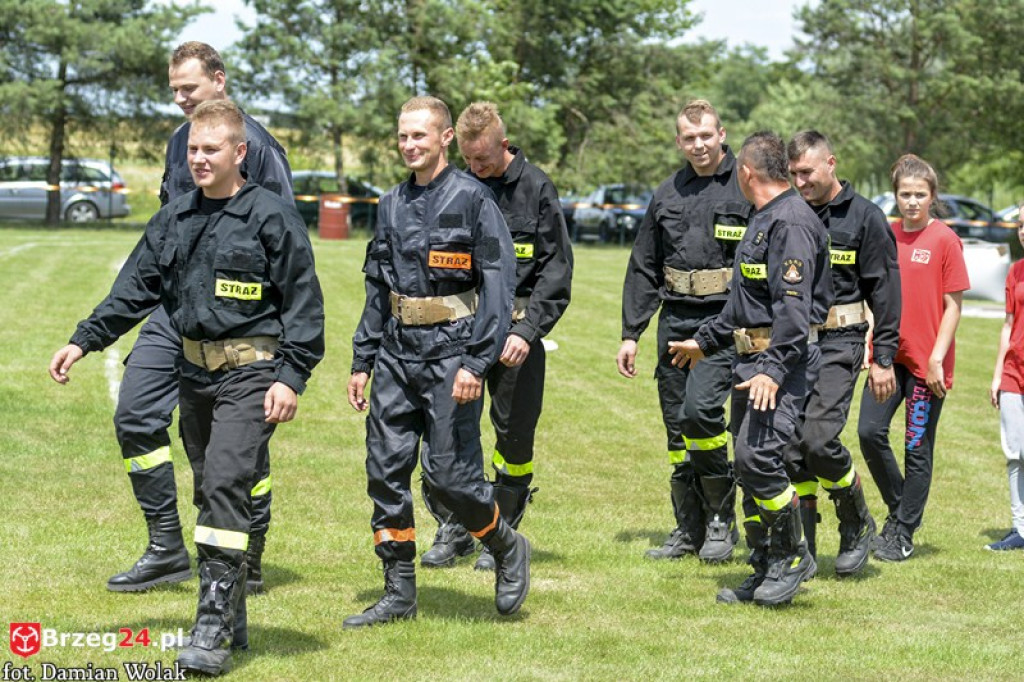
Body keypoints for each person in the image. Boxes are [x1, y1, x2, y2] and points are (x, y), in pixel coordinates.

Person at [49, 99, 325, 676]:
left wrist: (291, 377)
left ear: (239, 153)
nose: (199, 159)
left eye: (211, 150)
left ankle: (213, 623)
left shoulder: (272, 216)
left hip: (252, 371)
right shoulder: (175, 217)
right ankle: (236, 610)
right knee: (208, 489)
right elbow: (134, 289)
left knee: (225, 483)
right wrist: (84, 340)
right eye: (194, 150)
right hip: (193, 372)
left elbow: (304, 304)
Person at [108, 41, 293, 595]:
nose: (180, 99)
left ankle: (248, 555)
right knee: (135, 415)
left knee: (234, 454)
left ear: (219, 79)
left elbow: (285, 248)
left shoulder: (258, 148)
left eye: (188, 88)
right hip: (174, 312)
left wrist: (279, 357)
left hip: (239, 326)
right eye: (174, 91)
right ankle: (166, 547)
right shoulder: (178, 144)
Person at [345, 95, 527, 627]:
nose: (409, 145)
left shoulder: (473, 200)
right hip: (397, 356)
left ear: (445, 137)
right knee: (384, 472)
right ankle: (398, 589)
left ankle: (504, 542)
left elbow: (498, 285)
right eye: (403, 136)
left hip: (452, 355)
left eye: (419, 136)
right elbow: (378, 288)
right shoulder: (390, 204)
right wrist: (363, 359)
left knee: (450, 478)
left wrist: (476, 362)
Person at [669, 131, 833, 606]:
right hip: (750, 360)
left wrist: (773, 372)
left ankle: (793, 555)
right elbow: (743, 305)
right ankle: (763, 565)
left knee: (758, 459)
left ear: (746, 171)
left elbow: (793, 312)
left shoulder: (792, 224)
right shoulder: (763, 220)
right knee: (748, 462)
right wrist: (704, 342)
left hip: (779, 364)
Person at [418, 101, 574, 571]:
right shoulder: (457, 188)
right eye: (468, 160)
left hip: (515, 334)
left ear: (502, 144)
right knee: (449, 432)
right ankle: (455, 526)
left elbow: (556, 270)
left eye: (484, 159)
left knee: (513, 437)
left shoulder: (536, 188)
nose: (476, 168)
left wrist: (527, 331)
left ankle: (502, 534)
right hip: (460, 332)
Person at [617, 99, 751, 563]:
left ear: (722, 133)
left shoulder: (747, 186)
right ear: (679, 142)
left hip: (725, 322)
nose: (698, 145)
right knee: (677, 428)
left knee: (701, 416)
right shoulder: (667, 193)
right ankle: (688, 527)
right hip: (675, 318)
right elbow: (644, 266)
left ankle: (721, 520)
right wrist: (631, 332)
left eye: (705, 136)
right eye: (688, 138)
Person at [782, 131, 901, 576]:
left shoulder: (865, 217)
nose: (799, 182)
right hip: (795, 341)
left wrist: (883, 357)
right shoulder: (789, 213)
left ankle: (855, 522)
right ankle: (805, 550)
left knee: (818, 438)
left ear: (831, 163)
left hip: (841, 340)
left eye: (807, 172)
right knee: (792, 447)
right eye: (793, 174)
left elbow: (886, 292)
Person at [857, 154, 969, 562]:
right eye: (905, 194)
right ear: (895, 196)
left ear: (932, 196)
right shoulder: (885, 235)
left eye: (920, 195)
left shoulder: (945, 240)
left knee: (916, 447)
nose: (912, 202)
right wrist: (871, 340)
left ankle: (902, 532)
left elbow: (953, 306)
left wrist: (938, 358)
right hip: (888, 357)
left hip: (927, 366)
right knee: (869, 433)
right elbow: (873, 293)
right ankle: (900, 511)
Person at [988, 202, 1024, 551]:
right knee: (1015, 452)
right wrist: (998, 374)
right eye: (1022, 226)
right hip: (1015, 373)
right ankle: (1020, 529)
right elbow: (1008, 325)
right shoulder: (1015, 271)